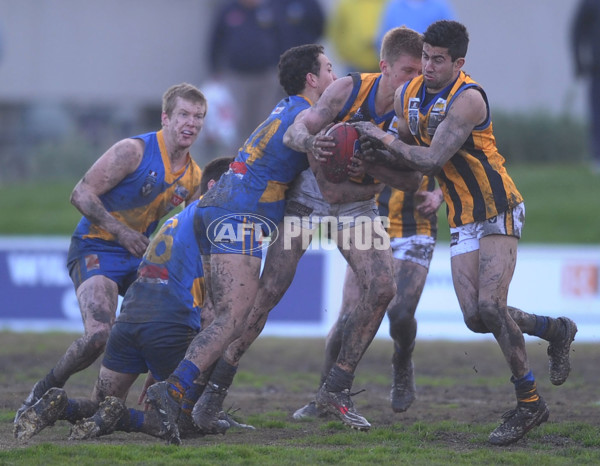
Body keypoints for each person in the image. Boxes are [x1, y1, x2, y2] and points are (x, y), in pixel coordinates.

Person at [352, 20, 578, 446]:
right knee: (476, 317)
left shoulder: (468, 98)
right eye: (425, 57)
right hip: (461, 217)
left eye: (439, 60)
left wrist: (383, 137)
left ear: (459, 63)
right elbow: (405, 153)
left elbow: (432, 159)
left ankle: (529, 403)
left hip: (497, 207)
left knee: (492, 306)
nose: (429, 66)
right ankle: (556, 330)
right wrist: (373, 152)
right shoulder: (406, 95)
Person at [144, 43, 338, 446]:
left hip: (216, 207)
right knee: (231, 320)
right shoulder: (305, 114)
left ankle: (182, 404)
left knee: (215, 314)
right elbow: (301, 136)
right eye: (329, 69)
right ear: (311, 79)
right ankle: (172, 392)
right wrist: (315, 144)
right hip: (239, 215)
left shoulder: (282, 106)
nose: (335, 78)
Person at [13, 83, 205, 427]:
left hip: (140, 260)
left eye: (198, 117)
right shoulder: (133, 150)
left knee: (169, 325)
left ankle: (124, 403)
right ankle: (41, 392)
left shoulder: (193, 178)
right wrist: (121, 232)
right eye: (184, 115)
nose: (191, 123)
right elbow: (81, 193)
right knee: (99, 335)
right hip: (95, 247)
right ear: (166, 118)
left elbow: (186, 241)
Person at [14, 157, 243, 443]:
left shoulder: (177, 219)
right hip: (167, 325)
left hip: (129, 322)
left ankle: (63, 405)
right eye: (240, 183)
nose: (247, 193)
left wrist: (160, 368)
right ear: (215, 185)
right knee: (186, 419)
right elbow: (210, 313)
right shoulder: (217, 220)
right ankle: (125, 417)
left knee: (101, 405)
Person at [270, 26, 425, 431]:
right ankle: (213, 388)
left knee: (390, 297)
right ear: (384, 66)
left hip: (369, 209)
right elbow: (295, 131)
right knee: (274, 292)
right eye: (408, 70)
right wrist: (314, 145)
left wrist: (371, 167)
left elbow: (414, 181)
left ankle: (353, 383)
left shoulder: (419, 110)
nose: (415, 80)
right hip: (313, 197)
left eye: (421, 71)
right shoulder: (347, 88)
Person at [292, 180, 443, 420]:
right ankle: (323, 397)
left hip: (415, 229)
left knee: (401, 315)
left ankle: (402, 360)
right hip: (368, 225)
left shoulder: (429, 140)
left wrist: (439, 194)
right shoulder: (365, 140)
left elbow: (456, 159)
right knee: (345, 321)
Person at [571, 0, 600, 174]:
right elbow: (576, 31)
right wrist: (578, 61)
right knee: (597, 113)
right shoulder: (591, 3)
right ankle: (597, 156)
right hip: (597, 67)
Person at [327, 0, 388, 74]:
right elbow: (335, 31)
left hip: (381, 63)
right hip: (354, 63)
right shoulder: (347, 4)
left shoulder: (388, 3)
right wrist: (343, 54)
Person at [375, 0, 456, 50]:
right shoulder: (394, 6)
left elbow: (452, 37)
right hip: (400, 69)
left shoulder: (440, 6)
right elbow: (382, 40)